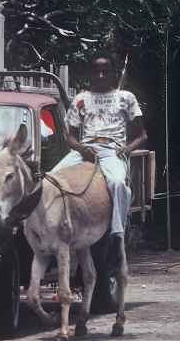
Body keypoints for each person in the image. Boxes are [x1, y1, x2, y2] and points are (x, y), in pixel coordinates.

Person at [53, 52, 148, 270]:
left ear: (113, 73)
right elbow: (70, 137)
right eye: (97, 72)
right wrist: (82, 149)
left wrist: (126, 149)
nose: (102, 75)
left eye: (106, 71)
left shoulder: (126, 98)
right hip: (85, 150)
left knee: (116, 183)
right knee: (52, 179)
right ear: (91, 74)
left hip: (112, 151)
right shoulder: (80, 99)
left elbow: (142, 135)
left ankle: (117, 232)